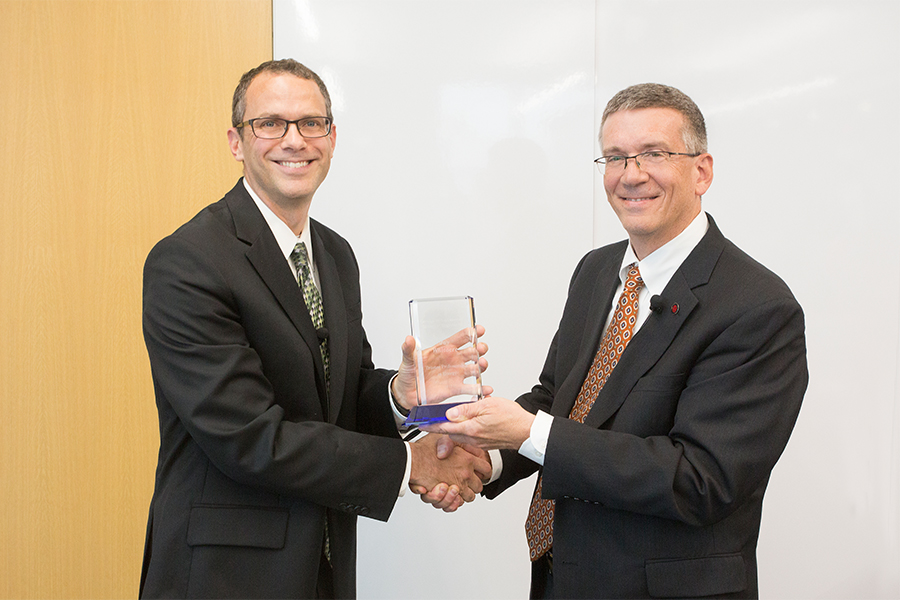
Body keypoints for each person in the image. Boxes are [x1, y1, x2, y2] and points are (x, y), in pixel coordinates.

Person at [427, 83, 808, 599]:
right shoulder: (597, 270)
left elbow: (700, 479)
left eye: (654, 153)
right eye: (614, 157)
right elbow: (559, 399)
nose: (631, 174)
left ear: (702, 171)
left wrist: (527, 433)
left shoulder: (758, 307)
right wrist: (484, 456)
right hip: (563, 579)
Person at [139, 59, 491, 599]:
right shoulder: (188, 261)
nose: (294, 140)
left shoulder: (332, 253)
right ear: (236, 141)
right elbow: (250, 438)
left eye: (311, 123)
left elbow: (340, 396)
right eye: (270, 123)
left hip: (322, 564)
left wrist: (401, 394)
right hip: (224, 575)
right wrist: (409, 462)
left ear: (332, 138)